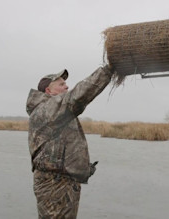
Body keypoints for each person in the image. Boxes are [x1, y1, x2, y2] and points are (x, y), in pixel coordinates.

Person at [26, 65, 114, 218]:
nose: (66, 86)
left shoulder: (56, 111)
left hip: (64, 183)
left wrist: (83, 169)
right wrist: (108, 70)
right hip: (54, 185)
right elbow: (77, 96)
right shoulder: (47, 109)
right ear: (48, 91)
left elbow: (64, 147)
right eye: (61, 84)